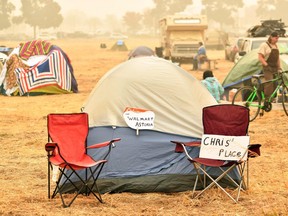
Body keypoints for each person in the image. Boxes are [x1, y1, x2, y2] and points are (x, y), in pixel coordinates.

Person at [258, 31, 281, 100]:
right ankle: (267, 98)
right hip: (267, 67)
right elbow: (260, 57)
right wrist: (266, 65)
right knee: (269, 82)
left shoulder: (276, 46)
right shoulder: (264, 45)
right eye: (276, 38)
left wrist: (279, 67)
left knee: (276, 83)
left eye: (278, 38)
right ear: (271, 37)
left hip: (274, 67)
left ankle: (273, 98)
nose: (277, 40)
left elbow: (278, 58)